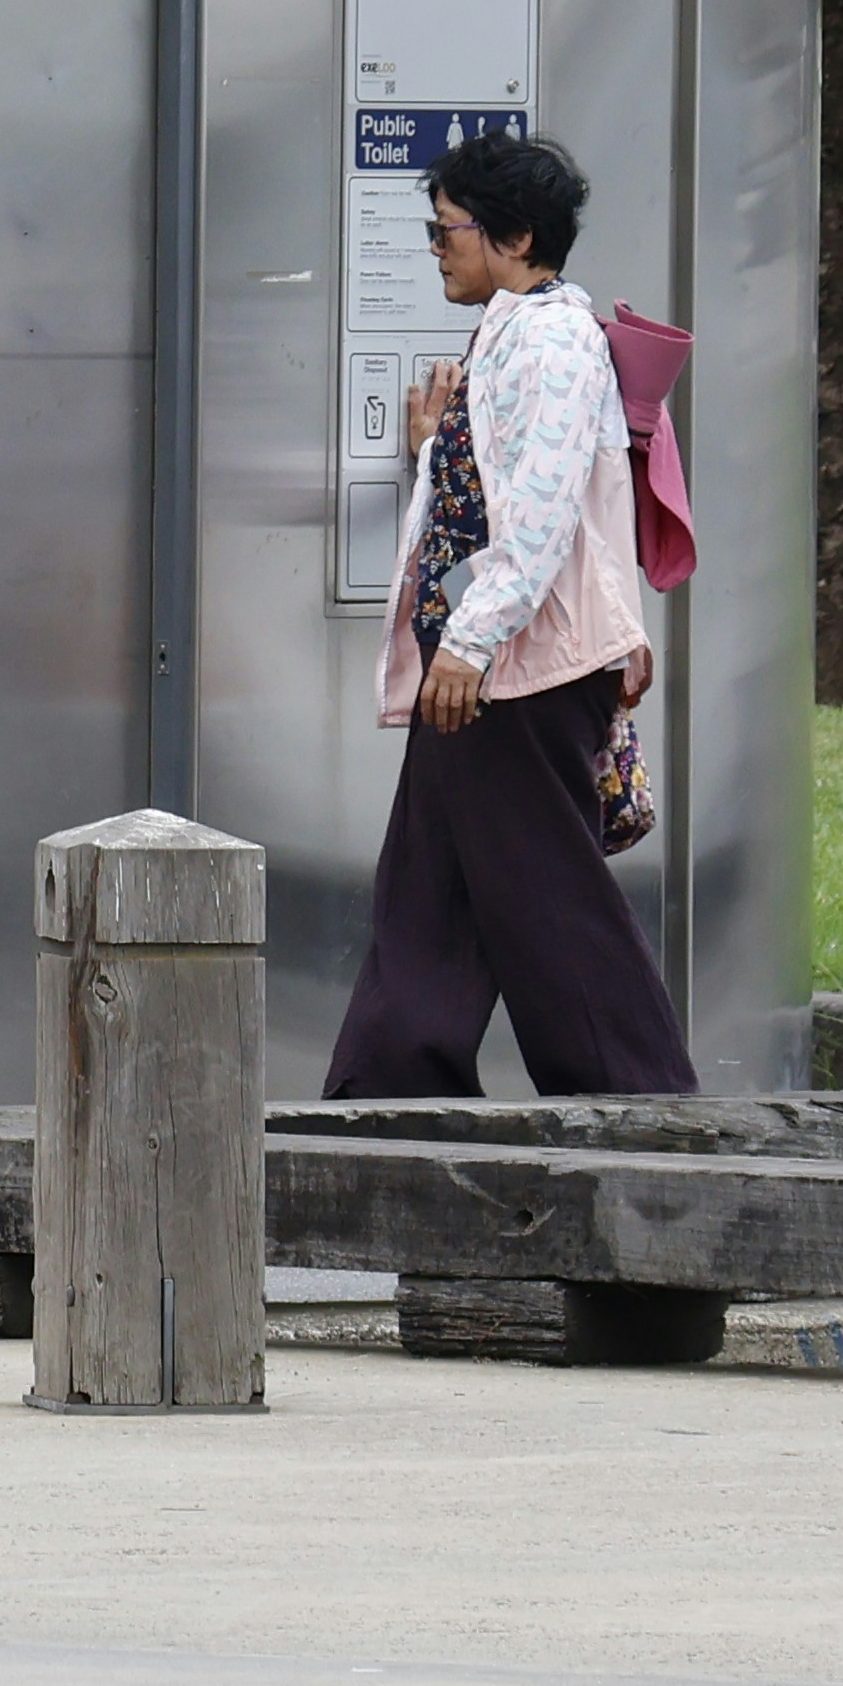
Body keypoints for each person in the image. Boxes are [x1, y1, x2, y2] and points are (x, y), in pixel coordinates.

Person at [322, 129, 695, 1099]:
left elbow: (540, 508)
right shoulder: (514, 334)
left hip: (516, 675)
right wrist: (433, 450)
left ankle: (643, 1110)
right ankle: (391, 1101)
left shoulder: (555, 339)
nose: (436, 245)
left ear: (515, 236)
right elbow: (494, 500)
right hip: (491, 670)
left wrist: (471, 644)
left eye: (449, 228)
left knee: (544, 899)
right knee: (429, 902)